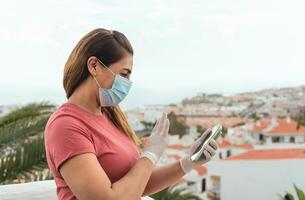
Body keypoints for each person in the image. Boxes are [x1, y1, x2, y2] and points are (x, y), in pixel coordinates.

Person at [44, 28, 218, 200]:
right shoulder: (66, 126)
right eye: (123, 74)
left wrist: (189, 162)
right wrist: (151, 153)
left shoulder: (109, 116)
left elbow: (136, 186)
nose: (127, 83)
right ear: (94, 66)